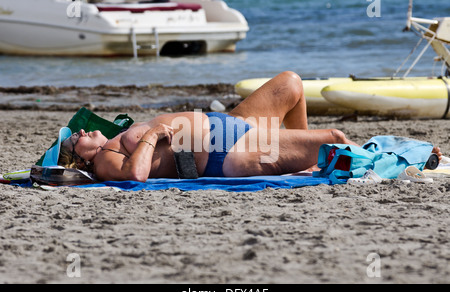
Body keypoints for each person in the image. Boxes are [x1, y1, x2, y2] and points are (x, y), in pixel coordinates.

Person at [56, 71, 442, 182]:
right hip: (230, 153)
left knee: (291, 83)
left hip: (232, 125)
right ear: (79, 161)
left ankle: (308, 163)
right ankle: (408, 157)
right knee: (335, 139)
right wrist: (155, 135)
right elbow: (137, 176)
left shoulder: (117, 135)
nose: (80, 132)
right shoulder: (107, 160)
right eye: (75, 138)